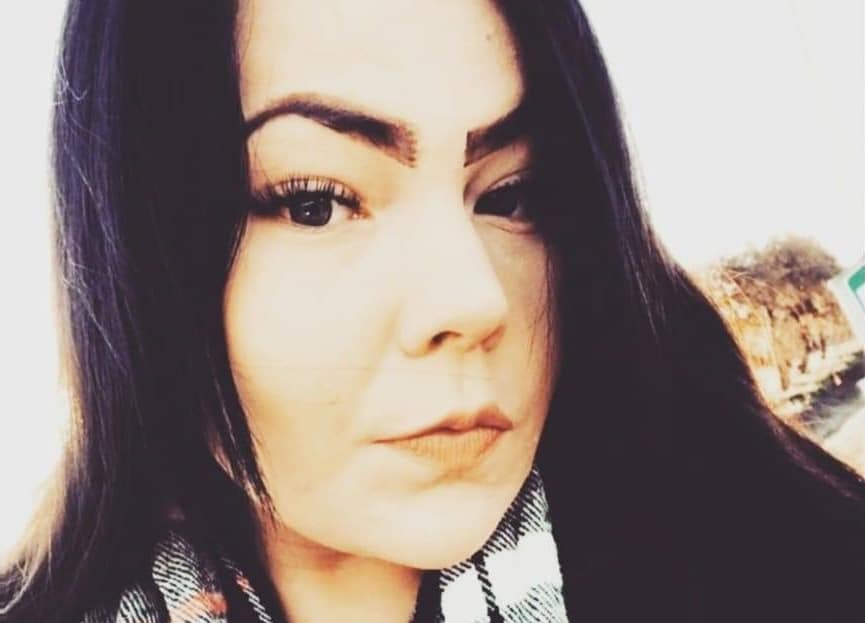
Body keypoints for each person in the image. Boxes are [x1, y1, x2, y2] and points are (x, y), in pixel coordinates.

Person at [1, 0, 863, 621]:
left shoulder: (770, 557)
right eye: (313, 202)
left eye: (511, 196)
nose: (475, 299)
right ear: (130, 245)